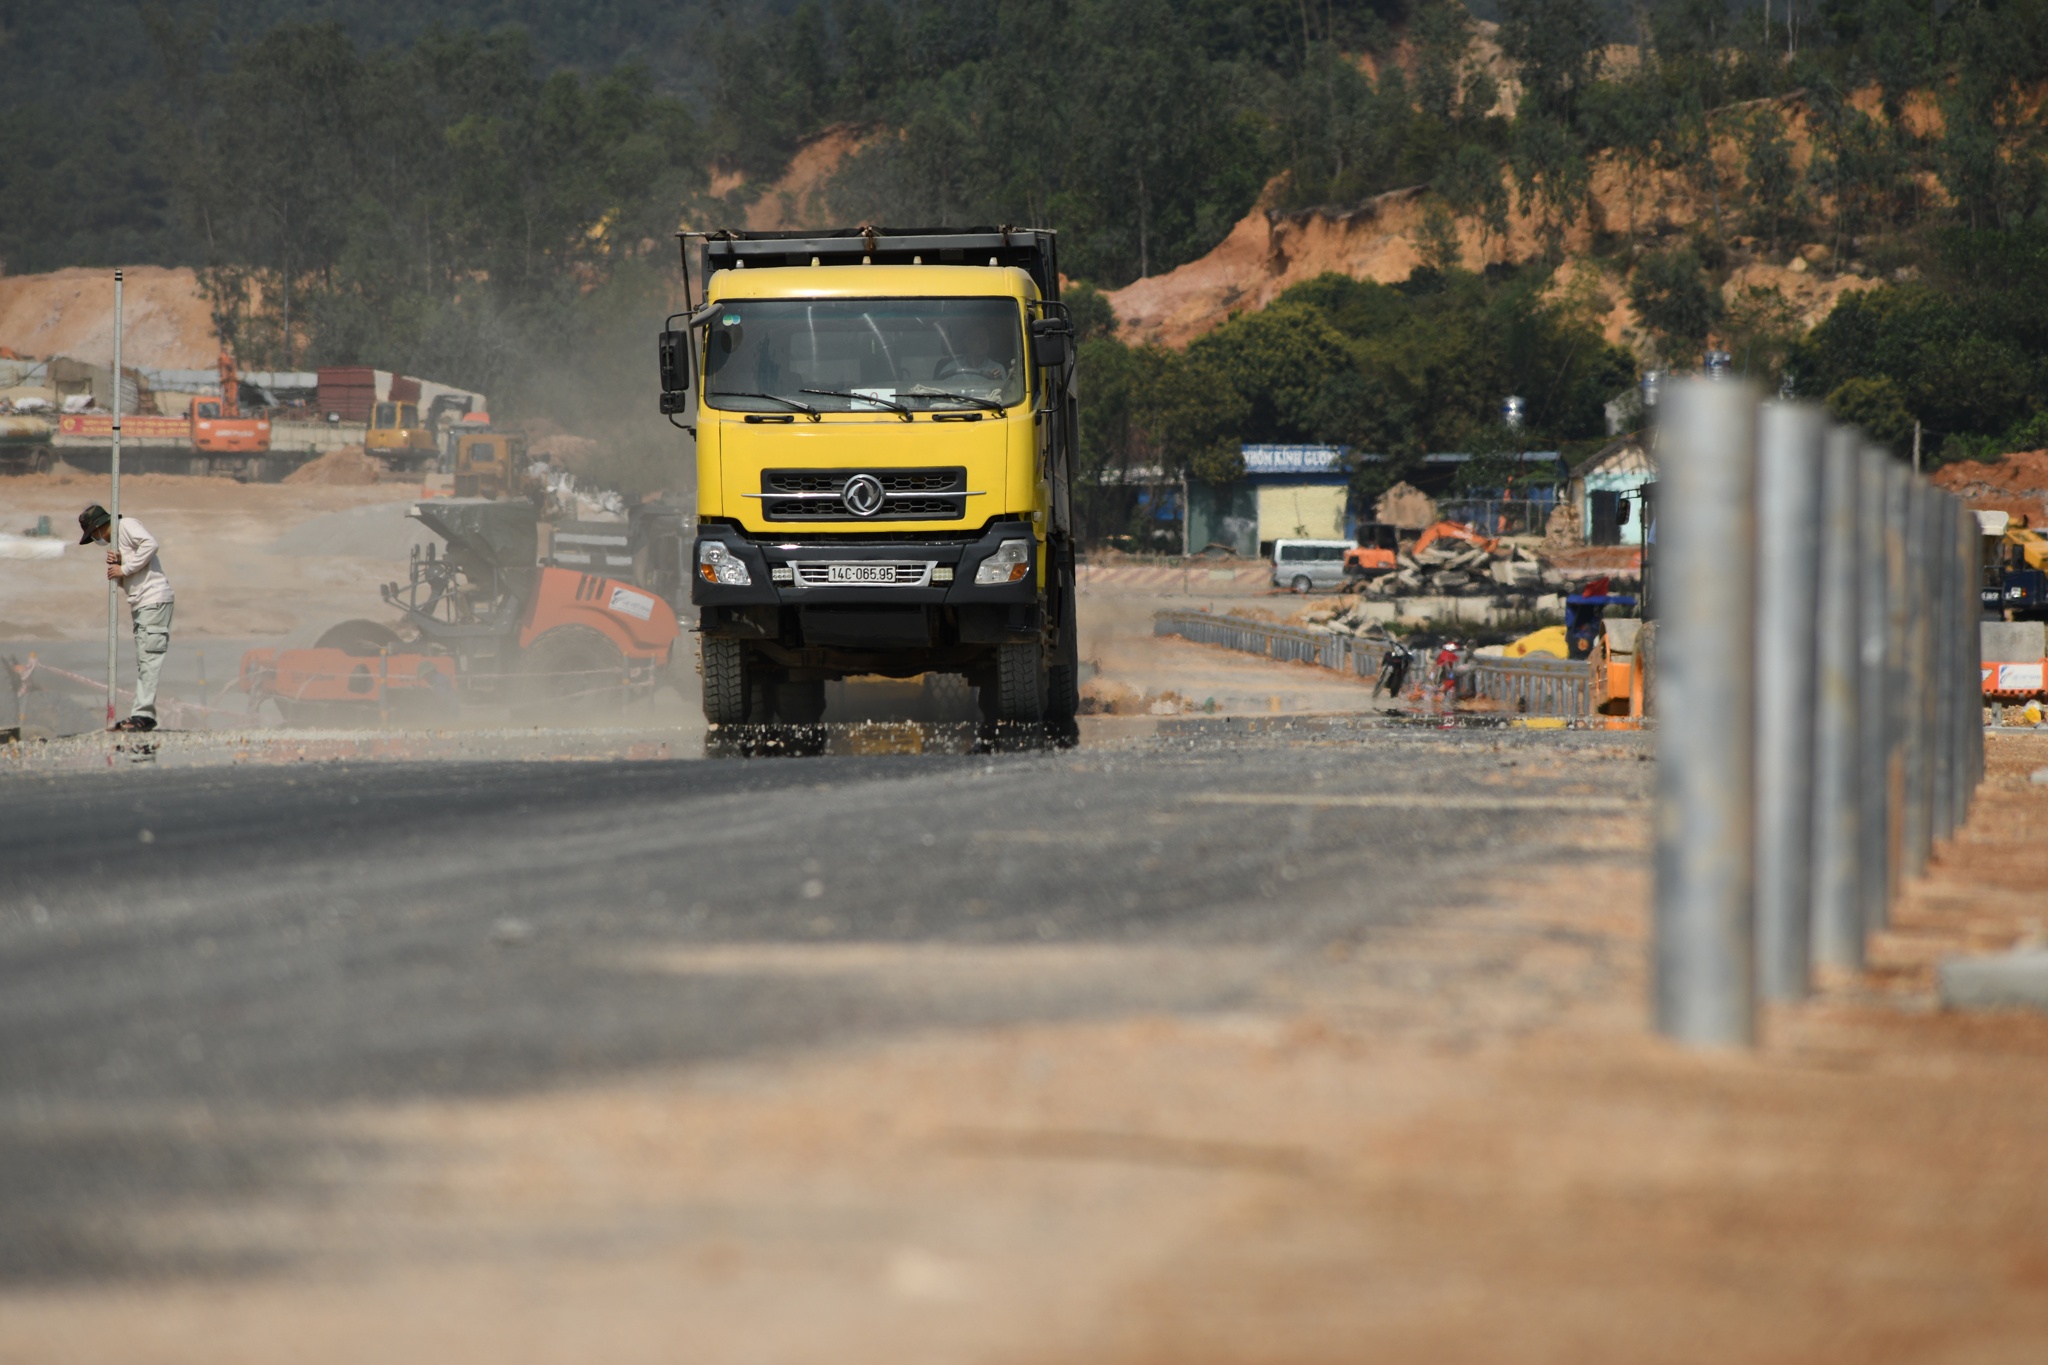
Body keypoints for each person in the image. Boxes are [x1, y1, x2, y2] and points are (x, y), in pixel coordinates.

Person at [79, 503, 174, 732]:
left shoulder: (126, 525)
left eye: (94, 535)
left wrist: (125, 567)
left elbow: (151, 544)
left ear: (100, 527)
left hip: (153, 599)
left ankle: (143, 716)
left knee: (149, 659)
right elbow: (129, 574)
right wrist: (120, 565)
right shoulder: (117, 542)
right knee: (144, 659)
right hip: (141, 603)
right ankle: (141, 714)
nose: (96, 540)